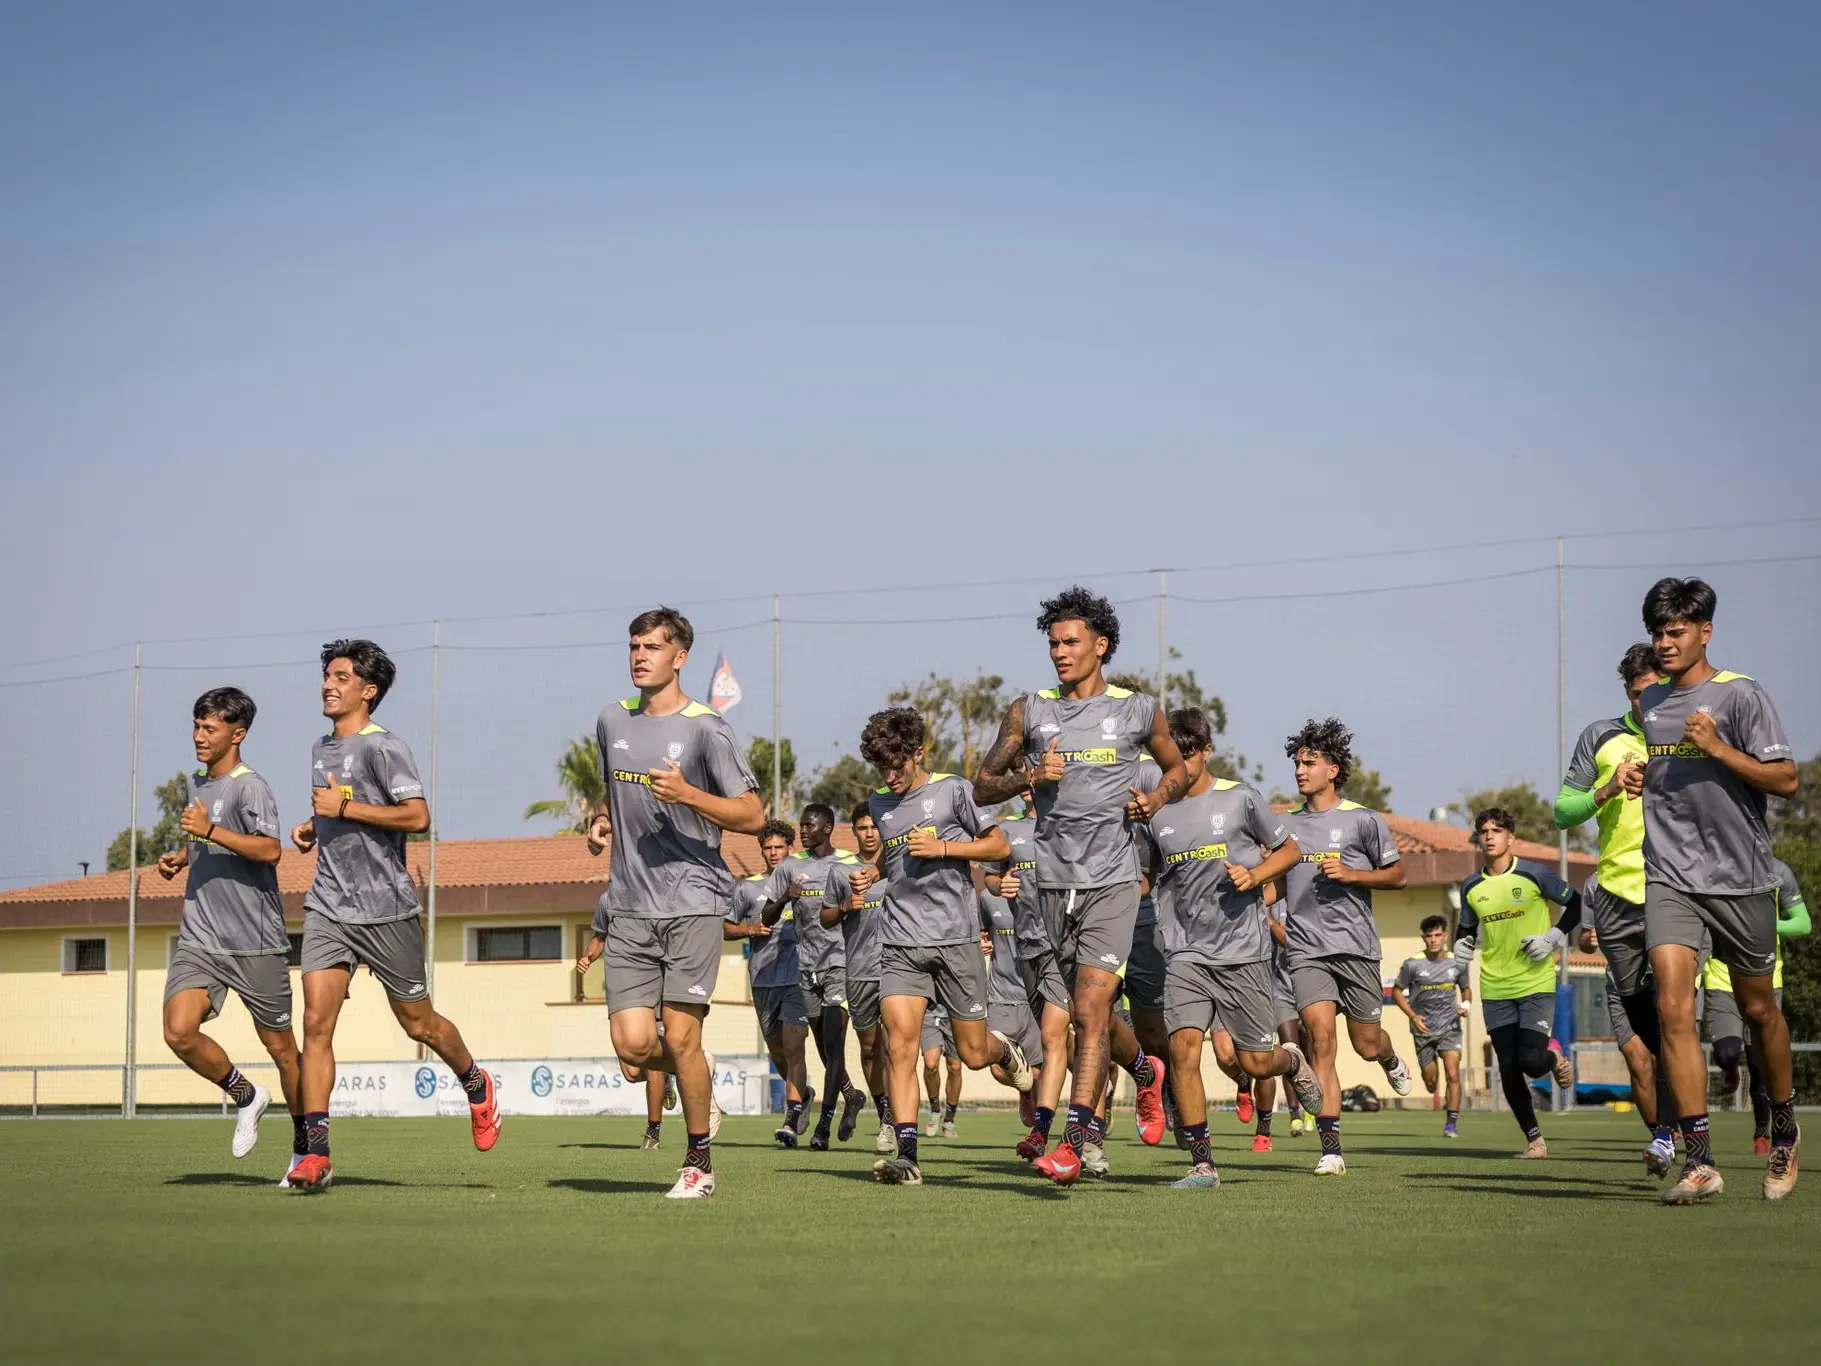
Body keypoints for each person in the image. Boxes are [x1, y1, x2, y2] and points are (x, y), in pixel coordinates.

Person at [975, 586, 1185, 1186]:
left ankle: (1073, 1141)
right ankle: (1145, 1072)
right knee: (1072, 1014)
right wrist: (1030, 774)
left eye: (1070, 643)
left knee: (1090, 1012)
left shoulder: (1139, 710)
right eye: (1052, 644)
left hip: (1114, 881)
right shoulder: (1029, 710)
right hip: (1050, 883)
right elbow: (982, 786)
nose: (1059, 653)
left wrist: (1154, 799)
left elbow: (1177, 768)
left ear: (1102, 646)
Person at [288, 641, 498, 1192]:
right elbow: (337, 811)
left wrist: (343, 810)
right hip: (329, 905)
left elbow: (418, 816)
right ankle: (315, 1152)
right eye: (326, 676)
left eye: (340, 677)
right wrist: (316, 826)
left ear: (368, 690)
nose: (327, 685)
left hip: (386, 910)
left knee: (418, 1023)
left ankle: (475, 1080)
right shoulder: (318, 748)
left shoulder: (386, 748)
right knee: (315, 1023)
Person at [588, 608, 765, 1200]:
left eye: (652, 647)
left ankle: (698, 1164)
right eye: (633, 646)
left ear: (679, 656)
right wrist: (598, 820)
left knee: (682, 1038)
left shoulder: (706, 729)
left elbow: (752, 814)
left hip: (692, 901)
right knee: (634, 1046)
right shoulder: (611, 719)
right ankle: (701, 1087)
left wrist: (689, 794)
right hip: (629, 905)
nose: (640, 655)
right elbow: (612, 790)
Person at [1637, 577, 1800, 1203]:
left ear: (1706, 631)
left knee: (1760, 1011)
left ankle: (1783, 1127)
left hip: (1741, 877)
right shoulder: (1651, 704)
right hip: (1670, 876)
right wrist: (1641, 773)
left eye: (1675, 631)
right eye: (1658, 632)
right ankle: (1700, 1160)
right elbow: (1672, 771)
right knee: (1674, 1009)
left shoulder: (1742, 696)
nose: (1665, 642)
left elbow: (1785, 780)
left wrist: (1717, 748)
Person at [1138, 707, 1322, 1189]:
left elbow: (1291, 850)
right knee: (1183, 1051)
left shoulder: (1241, 799)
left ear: (1205, 752)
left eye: (1188, 755)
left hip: (1242, 951)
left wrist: (1256, 875)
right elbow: (1145, 877)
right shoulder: (1158, 817)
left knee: (1254, 1062)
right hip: (1185, 953)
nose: (1179, 767)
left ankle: (1293, 1060)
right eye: (1170, 759)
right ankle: (1203, 1164)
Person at [862, 707, 1033, 1186]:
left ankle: (1008, 1053)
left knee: (974, 1053)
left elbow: (998, 847)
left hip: (956, 939)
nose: (890, 776)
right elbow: (893, 856)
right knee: (900, 1047)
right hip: (899, 940)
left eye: (898, 765)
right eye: (881, 769)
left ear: (919, 754)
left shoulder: (954, 791)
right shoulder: (880, 803)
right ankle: (909, 1156)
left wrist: (943, 848)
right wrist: (871, 871)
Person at [156, 687, 303, 1180]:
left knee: (282, 1050)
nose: (199, 736)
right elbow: (206, 836)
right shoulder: (197, 782)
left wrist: (209, 834)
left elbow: (269, 851)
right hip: (201, 938)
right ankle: (246, 1095)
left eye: (210, 728)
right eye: (196, 726)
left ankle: (307, 1149)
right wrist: (184, 855)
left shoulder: (250, 786)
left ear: (237, 734)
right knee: (178, 1031)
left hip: (255, 941)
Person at [1556, 642, 1678, 1175]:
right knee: (1639, 1047)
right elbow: (1562, 810)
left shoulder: (1688, 732)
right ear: (1625, 692)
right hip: (1615, 898)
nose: (1647, 703)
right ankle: (1669, 1132)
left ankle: (1679, 1137)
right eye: (1637, 694)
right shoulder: (1600, 736)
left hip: (1675, 890)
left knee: (1674, 1019)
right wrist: (1606, 788)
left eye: (1656, 692)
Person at [1275, 717, 1413, 1176]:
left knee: (1367, 1044)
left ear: (1332, 769)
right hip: (1306, 949)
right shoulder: (1283, 827)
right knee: (1321, 1039)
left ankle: (1391, 1057)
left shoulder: (1364, 820)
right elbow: (1273, 885)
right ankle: (1331, 1149)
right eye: (1297, 762)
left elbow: (1397, 876)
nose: (1300, 770)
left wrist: (1353, 874)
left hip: (1356, 949)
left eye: (1309, 763)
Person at [1453, 810, 1582, 1157]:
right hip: (1495, 986)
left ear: (1512, 837)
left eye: (1497, 830)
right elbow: (1466, 931)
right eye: (1483, 831)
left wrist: (1553, 936)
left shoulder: (1534, 873)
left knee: (1530, 1059)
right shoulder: (1471, 887)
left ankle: (1552, 1058)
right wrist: (1460, 947)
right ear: (1478, 839)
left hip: (1535, 980)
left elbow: (1577, 904)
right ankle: (1535, 1140)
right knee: (1508, 1067)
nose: (1490, 836)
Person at [759, 802, 868, 1149]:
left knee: (834, 1045)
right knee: (822, 1047)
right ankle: (851, 1096)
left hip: (841, 964)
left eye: (809, 825)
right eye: (802, 825)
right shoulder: (790, 867)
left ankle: (823, 1125)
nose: (802, 830)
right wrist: (785, 898)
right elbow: (767, 914)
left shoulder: (849, 864)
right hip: (807, 969)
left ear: (827, 828)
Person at [1699, 859, 1809, 1154]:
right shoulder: (1706, 868)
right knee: (1727, 1052)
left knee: (1760, 1066)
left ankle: (1762, 1132)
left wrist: (1760, 925)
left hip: (1765, 979)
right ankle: (1729, 1069)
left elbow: (1803, 923)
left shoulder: (1777, 871)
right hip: (1720, 980)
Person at [724, 821, 815, 1146]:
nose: (774, 853)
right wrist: (751, 930)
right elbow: (725, 928)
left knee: (794, 1046)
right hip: (763, 980)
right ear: (762, 850)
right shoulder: (748, 888)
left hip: (798, 977)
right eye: (768, 848)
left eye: (779, 847)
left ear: (790, 848)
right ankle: (803, 1094)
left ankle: (791, 1119)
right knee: (777, 1051)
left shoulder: (808, 881)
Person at [824, 801, 894, 1153]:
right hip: (859, 971)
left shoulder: (897, 866)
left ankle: (898, 1122)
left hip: (897, 970)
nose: (869, 833)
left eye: (874, 827)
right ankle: (884, 1115)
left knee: (896, 1044)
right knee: (869, 1048)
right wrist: (845, 907)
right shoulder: (841, 871)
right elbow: (825, 918)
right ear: (854, 832)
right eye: (862, 828)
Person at [576, 910, 679, 1149]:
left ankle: (653, 1133)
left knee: (652, 1062)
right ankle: (665, 1079)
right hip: (626, 991)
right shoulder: (609, 900)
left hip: (657, 989)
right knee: (631, 1072)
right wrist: (588, 957)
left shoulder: (658, 897)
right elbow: (599, 937)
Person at [1391, 916, 1471, 1137]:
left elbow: (1466, 989)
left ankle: (1451, 1124)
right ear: (1423, 938)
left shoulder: (1458, 962)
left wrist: (1466, 1005)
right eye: (1429, 936)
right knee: (1431, 1080)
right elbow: (1397, 991)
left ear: (1445, 936)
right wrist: (1413, 1015)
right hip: (1423, 1029)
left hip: (1450, 1027)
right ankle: (1430, 1081)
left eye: (1437, 935)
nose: (1433, 940)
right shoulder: (1412, 964)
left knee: (1453, 1074)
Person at [920, 1004, 962, 1137]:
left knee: (955, 1067)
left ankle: (949, 1120)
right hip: (929, 1015)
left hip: (954, 1014)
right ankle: (935, 1110)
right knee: (931, 1065)